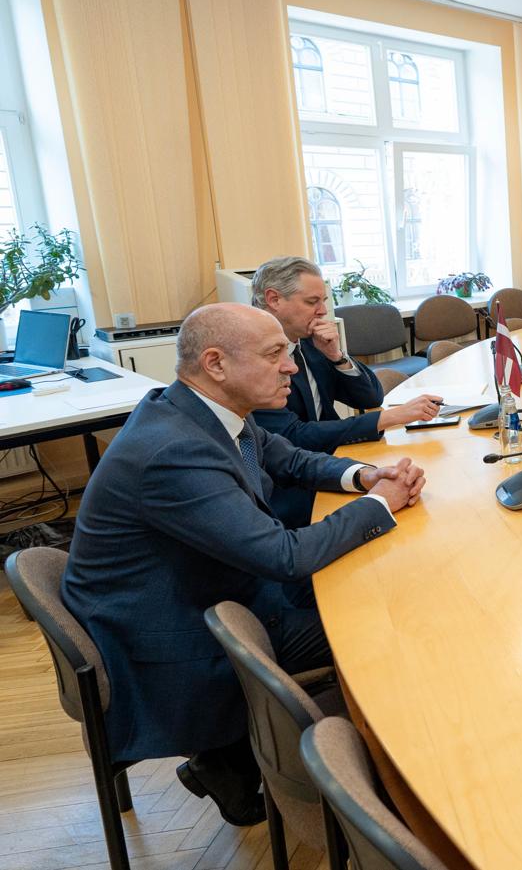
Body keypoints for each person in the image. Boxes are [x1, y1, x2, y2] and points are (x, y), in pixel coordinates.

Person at [60, 303, 428, 827]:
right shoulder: (174, 450)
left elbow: (289, 458)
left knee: (368, 592)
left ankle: (231, 762)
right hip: (172, 640)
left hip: (211, 590)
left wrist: (365, 476)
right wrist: (379, 506)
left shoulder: (200, 409)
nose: (292, 366)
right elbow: (283, 556)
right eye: (275, 354)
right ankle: (393, 783)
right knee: (382, 623)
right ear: (215, 364)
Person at [250, 256, 441, 528]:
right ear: (274, 299)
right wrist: (388, 417)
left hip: (334, 463)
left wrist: (336, 356)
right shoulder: (255, 361)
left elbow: (370, 397)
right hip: (293, 490)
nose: (321, 311)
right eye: (312, 302)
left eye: (323, 301)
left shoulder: (310, 343)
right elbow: (294, 436)